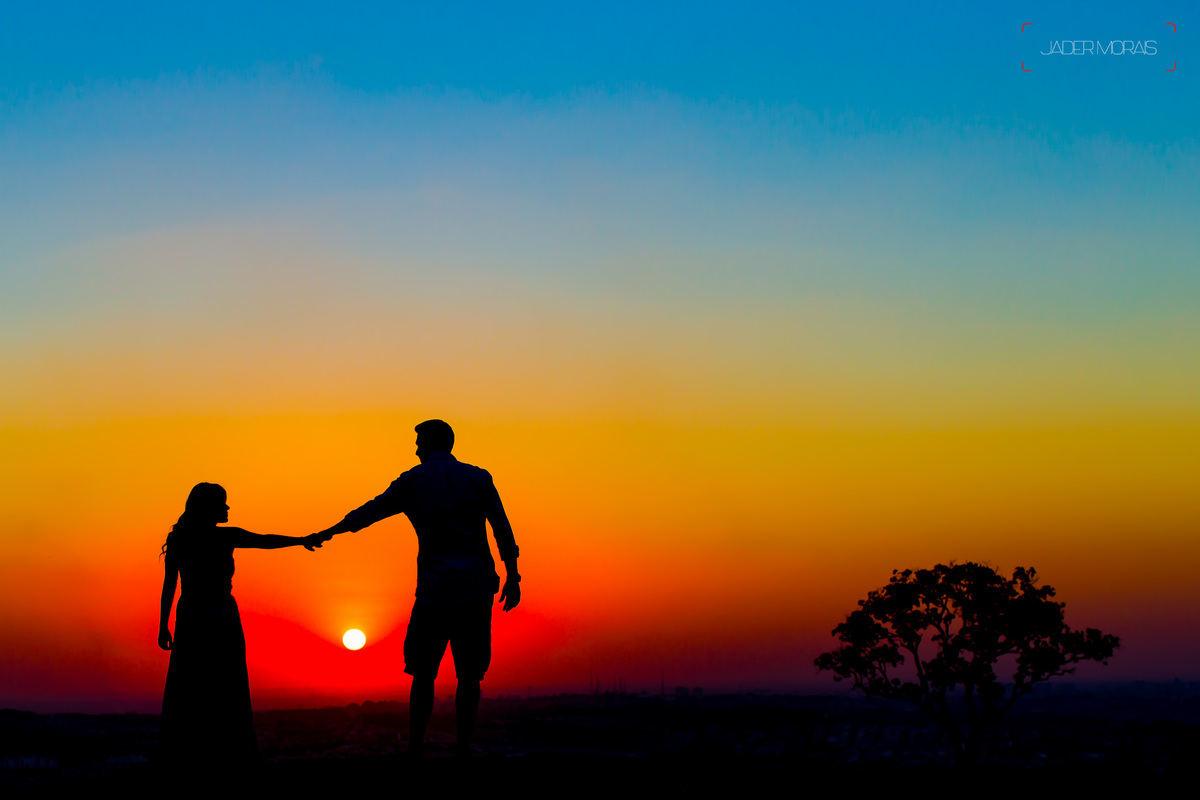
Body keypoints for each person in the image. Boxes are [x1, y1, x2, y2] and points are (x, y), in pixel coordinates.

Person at [314, 419, 520, 756]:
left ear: (429, 444)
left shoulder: (413, 481)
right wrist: (513, 575)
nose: (415, 449)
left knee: (423, 674)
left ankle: (415, 748)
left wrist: (328, 531)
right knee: (470, 675)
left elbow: (369, 512)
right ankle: (463, 748)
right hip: (475, 588)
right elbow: (502, 529)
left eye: (418, 442)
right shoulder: (478, 478)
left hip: (434, 592)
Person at [157, 482, 326, 769]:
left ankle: (206, 750)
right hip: (212, 617)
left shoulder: (191, 538)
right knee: (216, 680)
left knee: (202, 681)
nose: (227, 508)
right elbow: (169, 583)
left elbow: (265, 540)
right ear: (208, 507)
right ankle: (210, 752)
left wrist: (300, 540)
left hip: (197, 616)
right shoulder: (209, 538)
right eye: (222, 503)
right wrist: (163, 624)